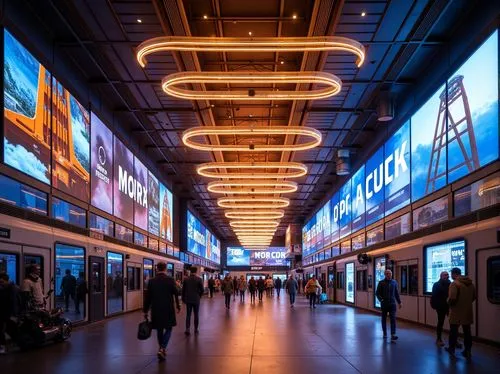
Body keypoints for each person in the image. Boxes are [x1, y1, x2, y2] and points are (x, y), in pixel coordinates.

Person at [143, 262, 181, 361]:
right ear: (165, 269)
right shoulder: (170, 280)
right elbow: (176, 293)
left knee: (159, 329)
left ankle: (161, 348)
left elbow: (148, 298)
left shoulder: (151, 281)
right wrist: (178, 305)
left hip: (156, 309)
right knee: (169, 328)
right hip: (168, 309)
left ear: (157, 269)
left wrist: (145, 310)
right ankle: (162, 348)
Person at [445, 267, 476, 359]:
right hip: (467, 311)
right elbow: (474, 297)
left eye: (451, 274)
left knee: (453, 331)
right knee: (467, 332)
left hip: (456, 312)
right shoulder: (471, 284)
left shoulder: (454, 284)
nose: (450, 276)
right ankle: (468, 351)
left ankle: (452, 349)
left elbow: (452, 298)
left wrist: (448, 302)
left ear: (454, 274)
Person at [375, 269, 402, 340]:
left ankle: (393, 334)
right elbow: (377, 293)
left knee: (393, 319)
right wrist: (381, 300)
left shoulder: (394, 282)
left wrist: (399, 302)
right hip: (384, 304)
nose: (388, 275)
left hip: (392, 304)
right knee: (384, 319)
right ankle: (384, 333)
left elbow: (396, 293)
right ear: (385, 274)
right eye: (387, 274)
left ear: (391, 274)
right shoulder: (381, 283)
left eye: (389, 273)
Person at [0, 272, 19, 354]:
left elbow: (13, 302)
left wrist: (14, 314)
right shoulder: (5, 288)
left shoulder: (12, 289)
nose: (1, 284)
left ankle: (5, 346)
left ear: (6, 280)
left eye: (2, 282)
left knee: (7, 329)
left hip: (8, 313)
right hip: (4, 313)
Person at [182, 267, 204, 336]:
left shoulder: (186, 279)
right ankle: (196, 329)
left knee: (188, 315)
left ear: (190, 271)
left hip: (188, 299)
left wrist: (183, 298)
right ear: (196, 271)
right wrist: (199, 296)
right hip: (196, 299)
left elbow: (183, 290)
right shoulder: (199, 279)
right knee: (196, 314)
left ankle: (187, 329)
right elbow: (202, 290)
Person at [431, 271, 451, 346]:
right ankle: (438, 339)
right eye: (445, 275)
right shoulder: (436, 284)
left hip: (449, 306)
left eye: (448, 275)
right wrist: (435, 306)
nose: (447, 276)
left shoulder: (450, 284)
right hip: (440, 307)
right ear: (441, 276)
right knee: (440, 322)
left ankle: (454, 340)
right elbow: (434, 296)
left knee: (453, 323)